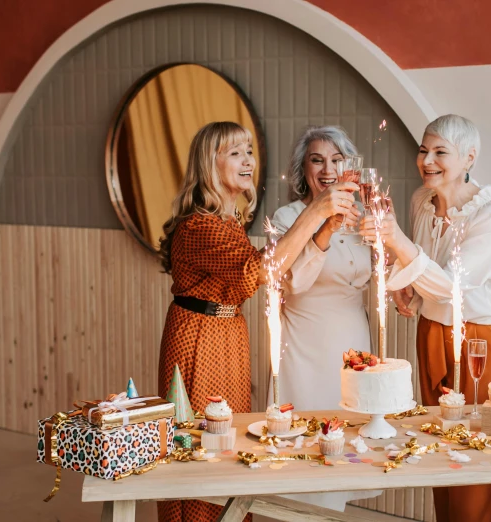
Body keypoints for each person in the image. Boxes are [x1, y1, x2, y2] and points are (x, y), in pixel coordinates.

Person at [156, 121, 356, 522]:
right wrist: (316, 211)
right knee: (201, 449)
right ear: (209, 165)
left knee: (228, 448)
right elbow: (257, 274)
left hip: (228, 334)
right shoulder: (199, 226)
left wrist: (325, 223)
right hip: (199, 338)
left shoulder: (228, 222)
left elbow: (257, 273)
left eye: (249, 151)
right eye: (235, 153)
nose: (248, 161)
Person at [361, 114, 491, 522]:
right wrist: (400, 285)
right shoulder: (419, 201)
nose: (426, 160)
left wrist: (394, 237)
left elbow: (452, 287)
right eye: (423, 150)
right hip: (431, 330)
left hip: (483, 337)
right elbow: (421, 271)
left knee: (479, 449)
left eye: (439, 152)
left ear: (469, 157)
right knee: (441, 443)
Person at [266, 126, 378, 511]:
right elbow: (294, 283)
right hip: (305, 342)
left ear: (350, 167)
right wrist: (326, 227)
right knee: (307, 447)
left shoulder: (363, 216)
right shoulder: (288, 216)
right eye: (317, 160)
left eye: (336, 159)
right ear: (304, 170)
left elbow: (378, 279)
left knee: (345, 446)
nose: (328, 169)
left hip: (352, 340)